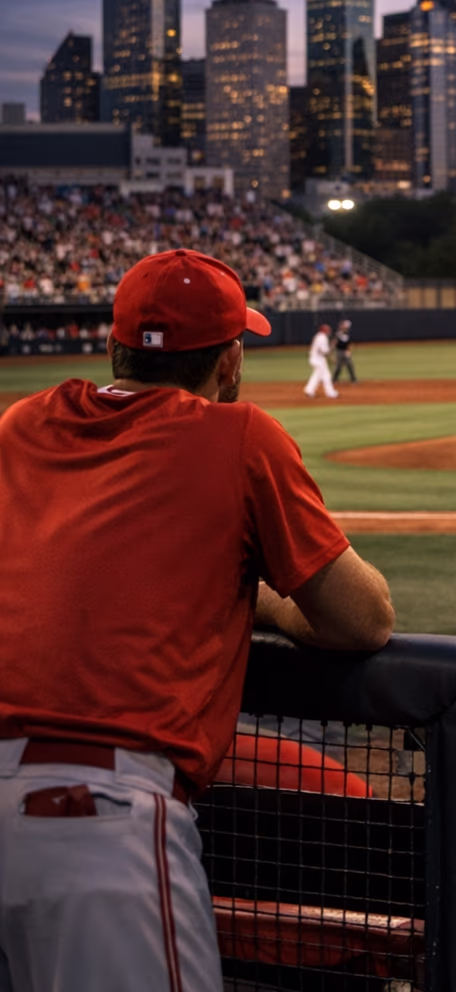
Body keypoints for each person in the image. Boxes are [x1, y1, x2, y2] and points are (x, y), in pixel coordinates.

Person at [0, 247, 394, 992]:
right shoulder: (240, 436)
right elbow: (363, 620)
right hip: (101, 820)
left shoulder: (19, 425)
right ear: (230, 362)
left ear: (114, 347)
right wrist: (261, 599)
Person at [304, 321, 338, 398]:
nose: (329, 332)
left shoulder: (318, 336)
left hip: (314, 358)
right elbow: (325, 352)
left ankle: (309, 390)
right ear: (325, 331)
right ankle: (330, 393)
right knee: (326, 375)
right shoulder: (323, 338)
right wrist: (332, 357)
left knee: (317, 375)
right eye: (328, 331)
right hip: (318, 360)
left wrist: (331, 347)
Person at [332, 318, 358, 384]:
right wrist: (333, 352)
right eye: (346, 326)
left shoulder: (348, 334)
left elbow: (350, 344)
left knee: (350, 365)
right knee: (338, 366)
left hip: (346, 352)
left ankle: (353, 379)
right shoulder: (338, 334)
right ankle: (334, 379)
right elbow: (334, 342)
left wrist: (349, 351)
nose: (347, 327)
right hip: (339, 351)